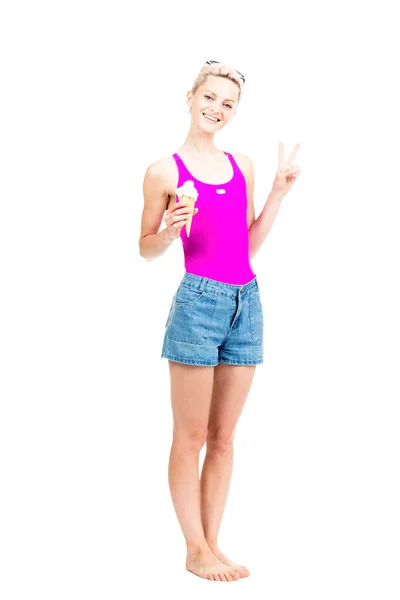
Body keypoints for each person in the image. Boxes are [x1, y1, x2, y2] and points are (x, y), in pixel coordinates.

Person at [139, 60, 301, 582]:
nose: (217, 109)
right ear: (190, 97)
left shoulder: (243, 165)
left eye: (228, 104)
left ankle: (213, 544)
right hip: (198, 303)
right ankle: (194, 549)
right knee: (189, 436)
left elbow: (245, 246)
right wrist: (167, 232)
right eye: (210, 98)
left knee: (224, 436)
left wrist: (278, 191)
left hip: (246, 302)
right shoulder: (164, 172)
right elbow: (145, 249)